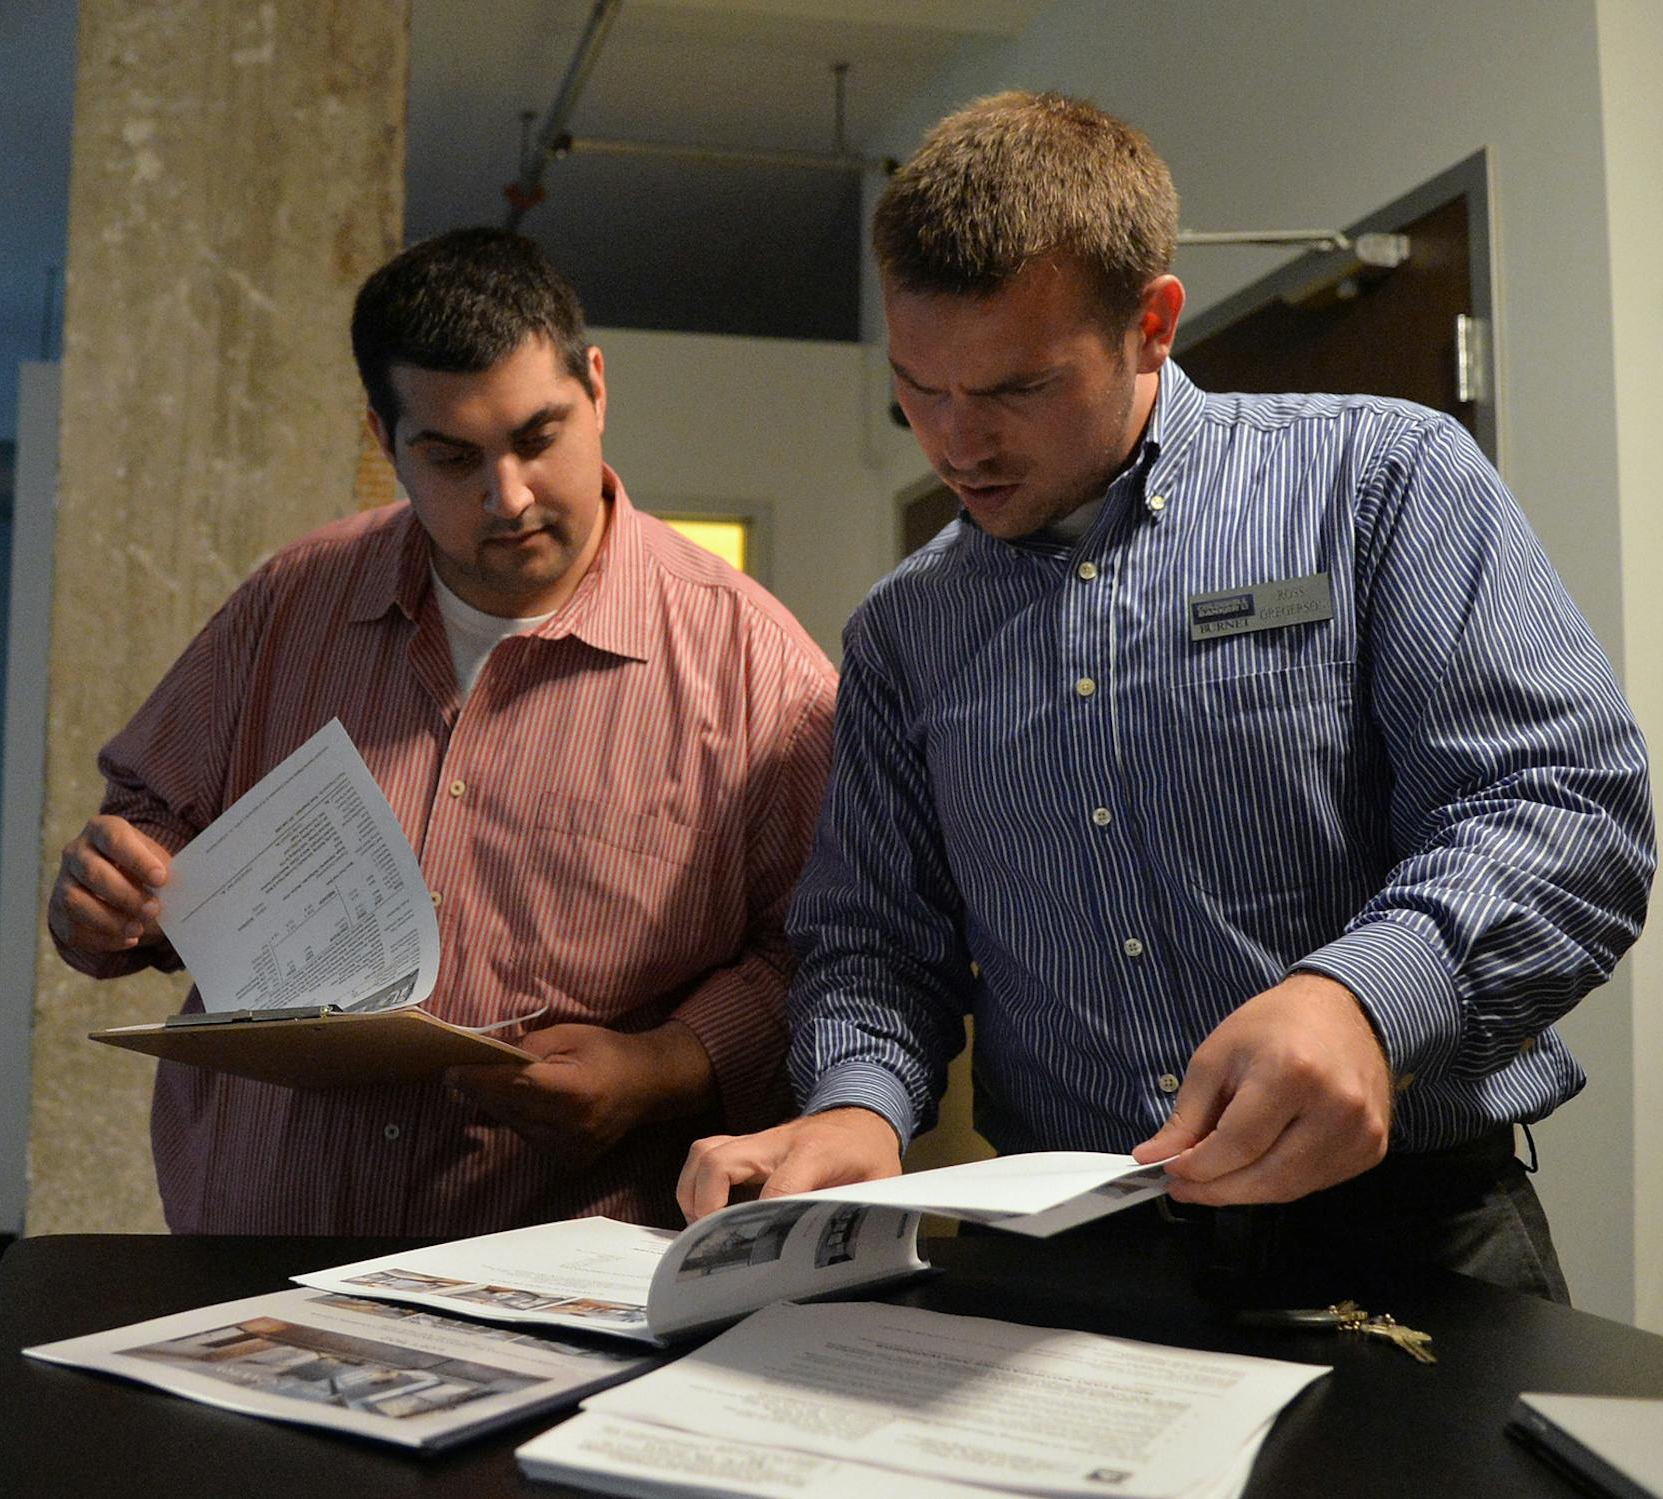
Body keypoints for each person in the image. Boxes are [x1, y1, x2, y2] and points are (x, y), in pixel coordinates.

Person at [677, 92, 1653, 1300]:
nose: (954, 443)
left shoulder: (1381, 480)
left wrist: (1363, 995)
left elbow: (1564, 804)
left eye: (1017, 388)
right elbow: (880, 936)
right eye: (918, 388)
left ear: (1152, 322)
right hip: (1078, 1246)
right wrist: (858, 1105)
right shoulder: (904, 632)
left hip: (1414, 1228)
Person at [49, 227, 837, 1237]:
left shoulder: (757, 667)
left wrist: (663, 1066)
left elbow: (823, 954)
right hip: (257, 1251)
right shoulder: (288, 604)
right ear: (385, 441)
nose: (506, 497)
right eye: (452, 456)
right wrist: (105, 899)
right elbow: (140, 837)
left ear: (595, 386)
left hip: (560, 1274)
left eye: (538, 436)